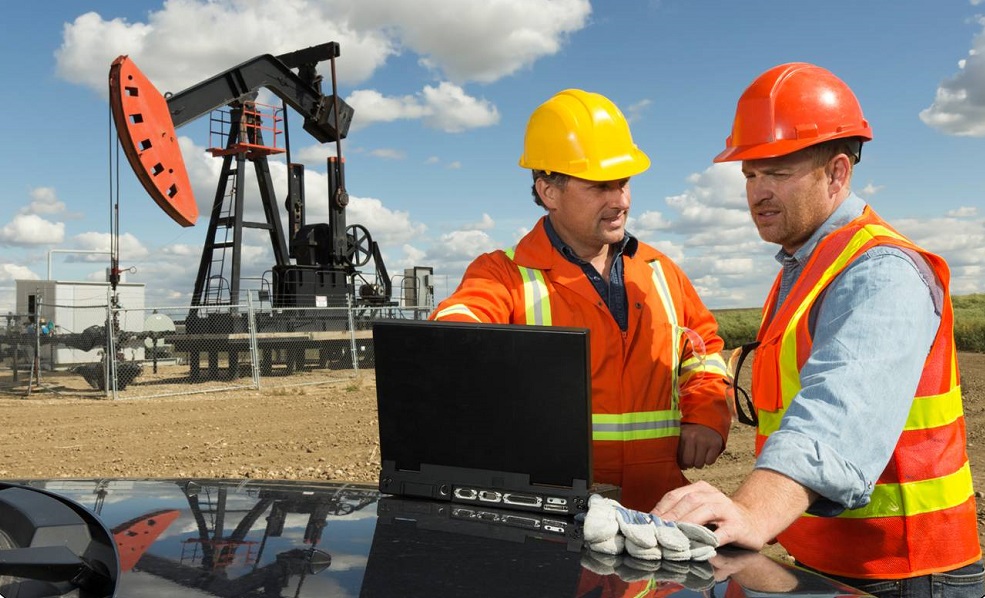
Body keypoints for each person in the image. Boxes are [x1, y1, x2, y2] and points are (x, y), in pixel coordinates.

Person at [652, 62, 984, 597]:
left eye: (777, 173)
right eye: (749, 175)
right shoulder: (803, 269)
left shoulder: (880, 270)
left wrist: (753, 512)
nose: (757, 193)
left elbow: (840, 408)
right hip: (829, 562)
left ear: (837, 172)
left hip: (908, 575)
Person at [430, 89, 732, 511]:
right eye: (601, 187)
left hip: (662, 509)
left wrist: (705, 415)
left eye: (624, 183)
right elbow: (453, 330)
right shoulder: (503, 274)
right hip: (557, 514)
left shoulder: (662, 271)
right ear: (549, 191)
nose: (621, 200)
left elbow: (704, 353)